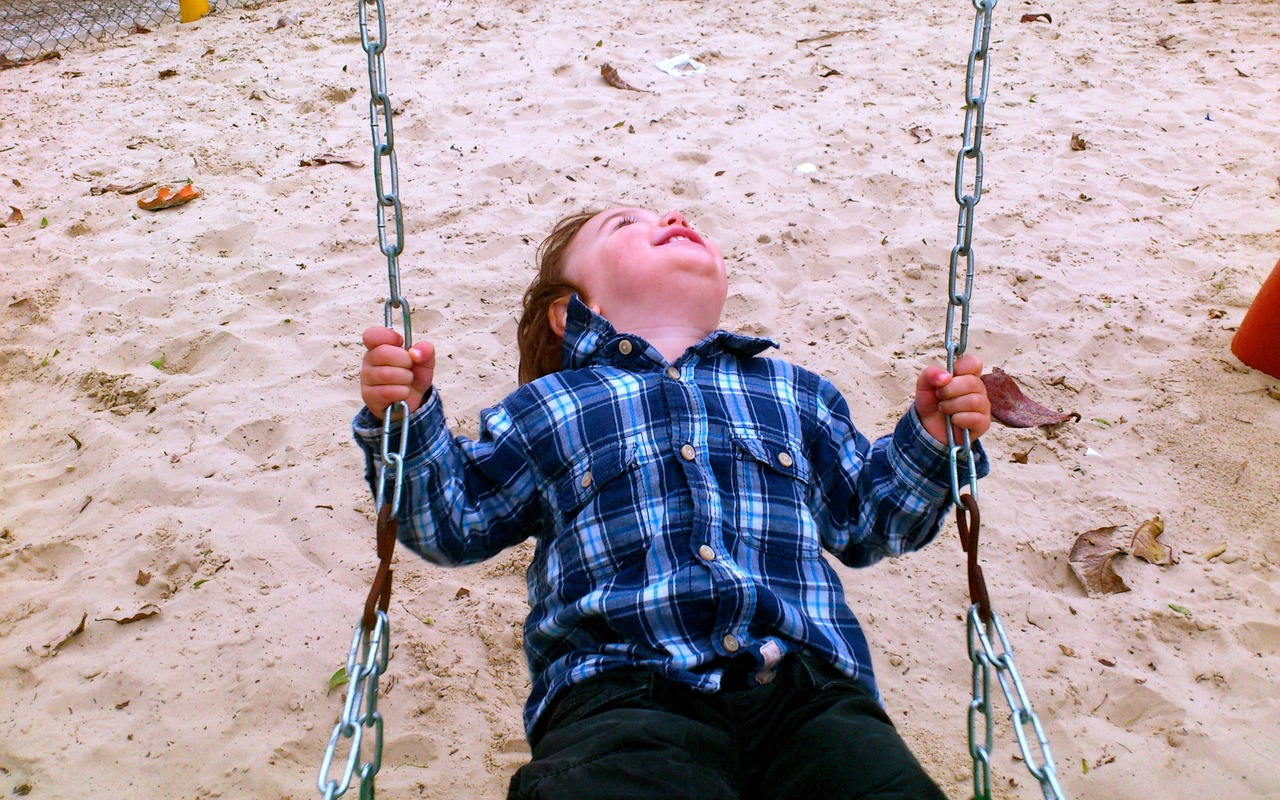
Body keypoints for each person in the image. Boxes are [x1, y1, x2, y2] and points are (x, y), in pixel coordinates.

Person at [354, 206, 992, 799]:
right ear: (573, 309)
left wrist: (933, 441)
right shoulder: (549, 409)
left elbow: (870, 522)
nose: (672, 217)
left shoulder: (798, 393)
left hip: (810, 693)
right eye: (626, 224)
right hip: (622, 695)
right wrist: (406, 426)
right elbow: (454, 521)